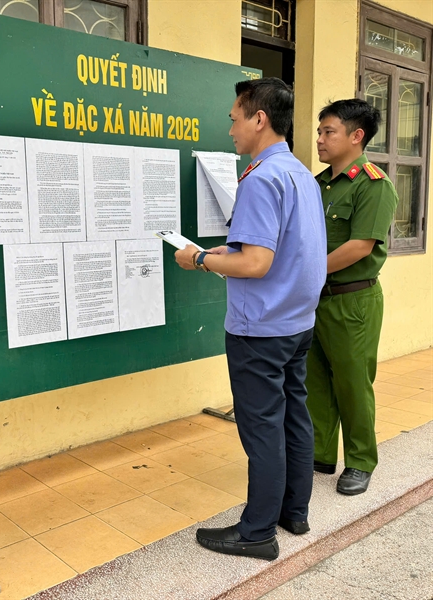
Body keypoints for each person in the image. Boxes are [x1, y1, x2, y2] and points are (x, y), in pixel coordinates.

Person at [175, 77, 327, 561]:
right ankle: (293, 512)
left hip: (260, 328)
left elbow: (257, 265)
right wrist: (232, 251)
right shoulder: (299, 172)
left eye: (235, 118)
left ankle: (257, 532)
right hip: (298, 322)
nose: (231, 129)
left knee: (262, 427)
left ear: (259, 118)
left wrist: (199, 259)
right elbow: (285, 249)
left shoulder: (260, 177)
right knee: (294, 417)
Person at [306, 99, 398, 496]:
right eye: (320, 132)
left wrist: (303, 273)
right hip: (316, 298)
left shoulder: (374, 184)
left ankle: (360, 461)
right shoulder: (318, 183)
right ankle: (320, 453)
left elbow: (360, 245)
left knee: (353, 383)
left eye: (329, 132)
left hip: (353, 301)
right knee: (316, 380)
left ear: (356, 136)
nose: (320, 140)